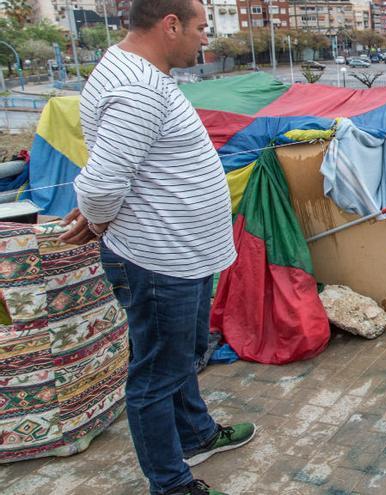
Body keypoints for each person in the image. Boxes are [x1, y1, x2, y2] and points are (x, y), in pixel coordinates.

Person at [60, 1, 255, 494]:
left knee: (180, 355)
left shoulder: (139, 74)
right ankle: (170, 483)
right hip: (157, 259)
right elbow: (104, 184)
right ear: (170, 25)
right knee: (156, 375)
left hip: (177, 253)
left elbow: (128, 163)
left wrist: (101, 213)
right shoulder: (137, 88)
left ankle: (195, 434)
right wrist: (100, 218)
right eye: (201, 28)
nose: (206, 39)